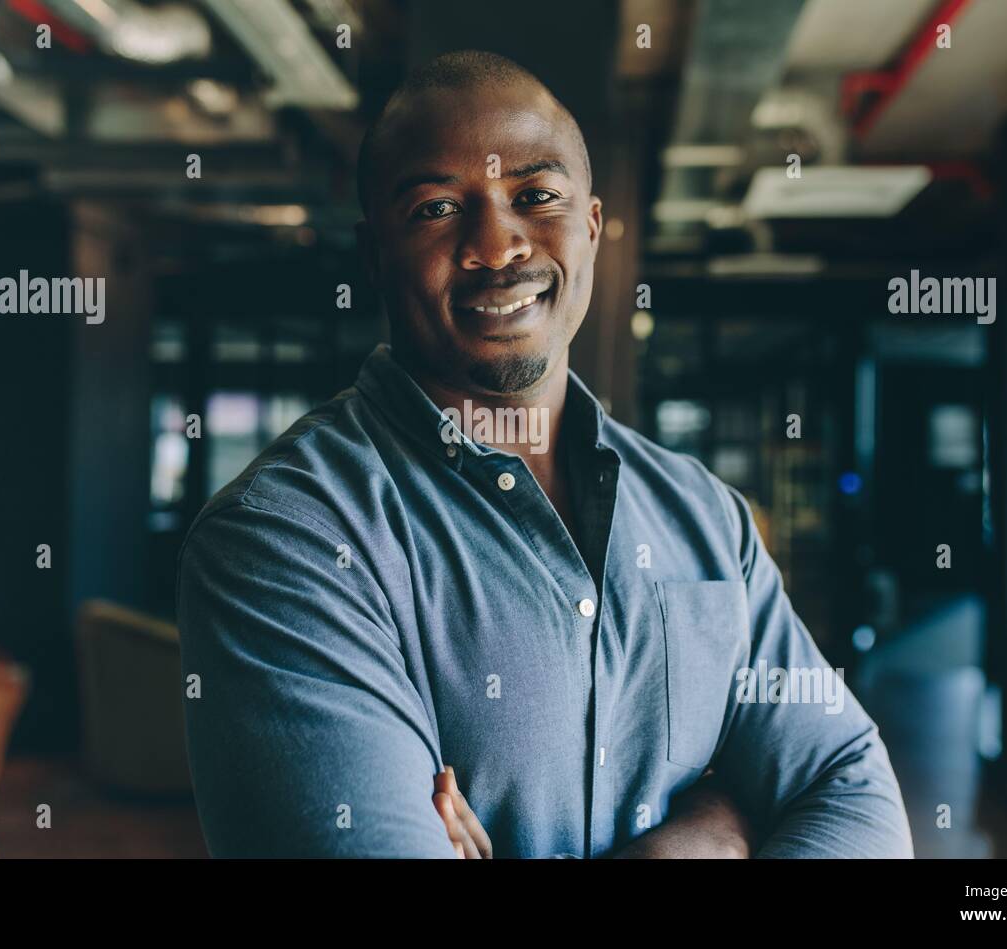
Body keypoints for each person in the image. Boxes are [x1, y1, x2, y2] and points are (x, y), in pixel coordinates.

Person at [177, 50, 913, 858]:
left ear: (591, 227)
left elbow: (848, 783)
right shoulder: (284, 541)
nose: (496, 245)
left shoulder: (706, 517)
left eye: (535, 195)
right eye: (435, 208)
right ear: (373, 254)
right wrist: (706, 834)